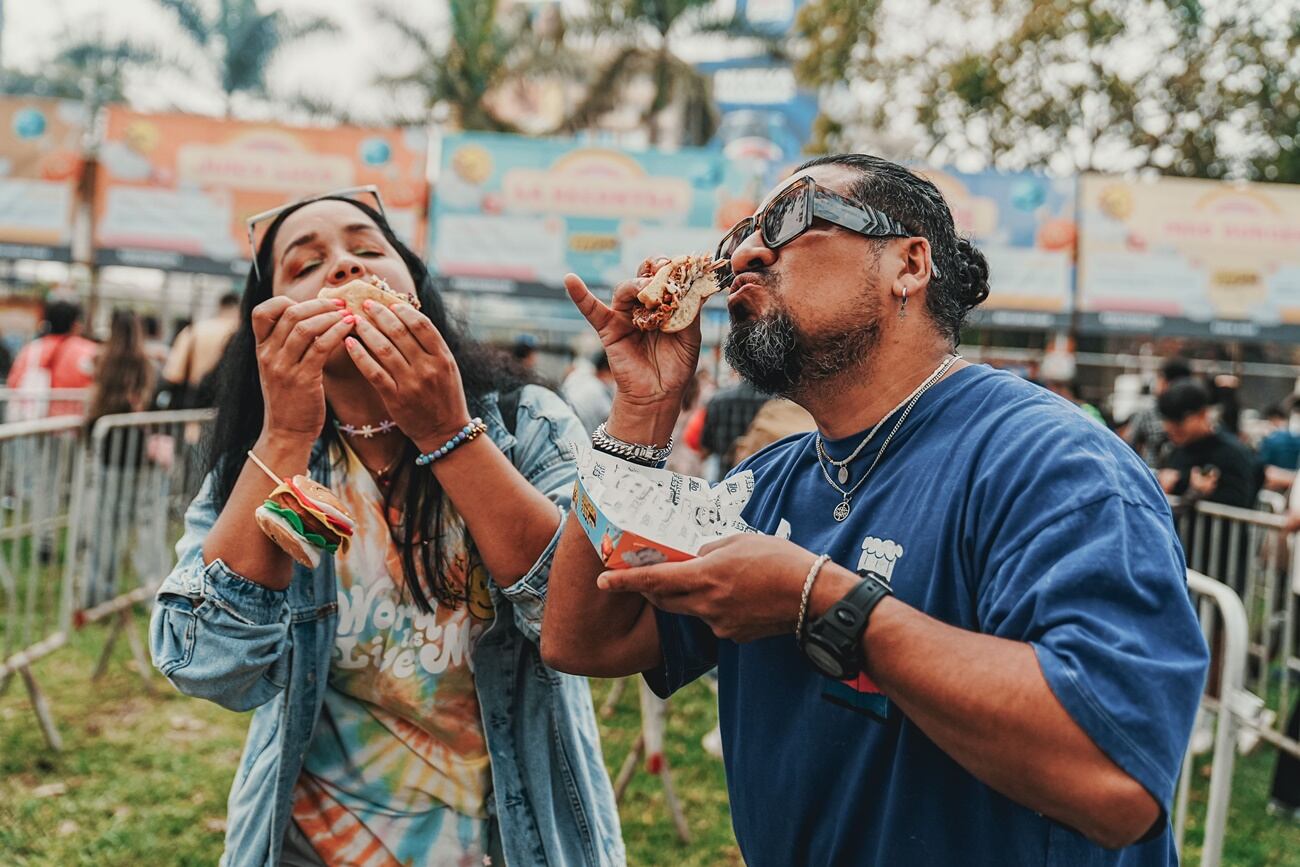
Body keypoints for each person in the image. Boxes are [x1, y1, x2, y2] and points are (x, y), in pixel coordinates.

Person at [544, 154, 1208, 865]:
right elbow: (585, 638)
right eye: (740, 232)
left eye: (791, 218)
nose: (743, 252)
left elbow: (1118, 778)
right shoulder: (766, 482)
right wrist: (639, 415)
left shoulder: (1053, 463)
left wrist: (822, 601)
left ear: (909, 264)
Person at [148, 194, 623, 866]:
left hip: (508, 844)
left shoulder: (527, 426)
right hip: (309, 846)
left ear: (415, 287)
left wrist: (446, 433)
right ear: (270, 320)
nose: (343, 266)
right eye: (306, 263)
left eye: (368, 250)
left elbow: (586, 622)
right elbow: (207, 664)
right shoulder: (259, 462)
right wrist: (284, 434)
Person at [83, 310, 157, 606]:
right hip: (135, 450)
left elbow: (93, 401)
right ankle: (150, 594)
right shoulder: (144, 364)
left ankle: (99, 593)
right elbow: (144, 405)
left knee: (103, 525)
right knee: (141, 525)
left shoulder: (102, 361)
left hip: (107, 448)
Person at [1156, 380, 1257, 510]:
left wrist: (1196, 492)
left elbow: (1240, 503)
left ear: (1202, 413)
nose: (1170, 428)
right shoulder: (1175, 450)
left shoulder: (1232, 453)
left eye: (1178, 421)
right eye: (1167, 420)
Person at [5, 296, 99, 418]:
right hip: (73, 425)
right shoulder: (88, 351)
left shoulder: (31, 349)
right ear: (76, 324)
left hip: (34, 423)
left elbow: (13, 382)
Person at [158, 291, 241, 409]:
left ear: (220, 306)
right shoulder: (243, 335)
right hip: (230, 404)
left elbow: (173, 374)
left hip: (193, 400)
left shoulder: (195, 330)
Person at [1121, 357, 1192, 468]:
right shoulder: (1147, 412)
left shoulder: (1192, 415)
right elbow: (1128, 447)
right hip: (1154, 475)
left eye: (1160, 379)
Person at [561, 349, 615, 434]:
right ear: (607, 372)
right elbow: (613, 423)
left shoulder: (578, 374)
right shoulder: (598, 392)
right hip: (574, 438)